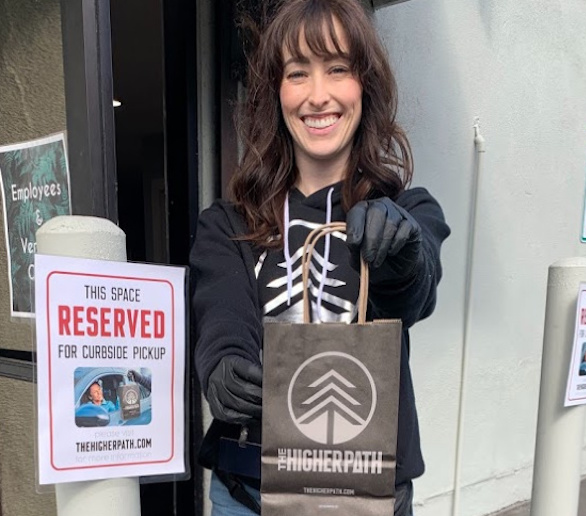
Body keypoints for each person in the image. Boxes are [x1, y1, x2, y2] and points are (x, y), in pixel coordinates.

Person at [190, 0, 451, 514]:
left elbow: (414, 291)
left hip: (368, 493)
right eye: (296, 73)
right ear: (276, 92)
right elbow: (221, 314)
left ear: (365, 86)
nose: (318, 95)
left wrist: (404, 252)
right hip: (249, 494)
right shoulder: (229, 225)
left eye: (337, 69)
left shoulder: (408, 210)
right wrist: (221, 365)